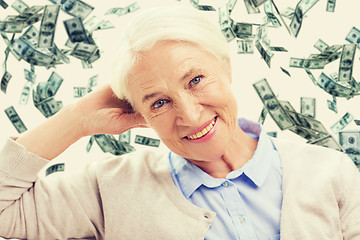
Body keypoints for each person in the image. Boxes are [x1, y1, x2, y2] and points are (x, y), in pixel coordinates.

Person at [0, 5, 360, 240]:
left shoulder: (330, 173)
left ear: (227, 67)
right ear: (138, 112)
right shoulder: (110, 189)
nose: (189, 115)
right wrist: (77, 118)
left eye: (196, 80)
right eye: (159, 102)